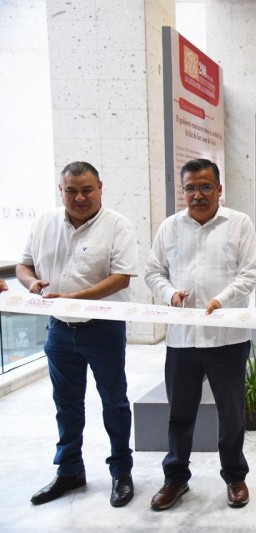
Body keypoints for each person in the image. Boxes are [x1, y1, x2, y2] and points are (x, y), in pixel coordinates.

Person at [16, 161, 138, 507]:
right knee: (66, 404)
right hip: (58, 329)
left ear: (100, 188)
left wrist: (75, 299)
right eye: (71, 191)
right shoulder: (43, 222)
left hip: (104, 329)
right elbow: (24, 265)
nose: (80, 197)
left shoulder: (118, 225)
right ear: (61, 190)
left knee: (114, 401)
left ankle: (121, 472)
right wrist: (31, 283)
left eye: (87, 190)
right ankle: (69, 470)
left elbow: (121, 278)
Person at [144, 159, 256, 511]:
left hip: (227, 337)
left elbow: (250, 273)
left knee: (232, 413)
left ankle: (235, 477)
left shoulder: (239, 223)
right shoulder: (170, 227)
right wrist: (170, 295)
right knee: (179, 413)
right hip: (182, 338)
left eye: (205, 187)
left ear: (219, 189)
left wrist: (221, 300)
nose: (198, 195)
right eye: (190, 188)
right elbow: (153, 272)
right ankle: (175, 478)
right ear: (183, 191)